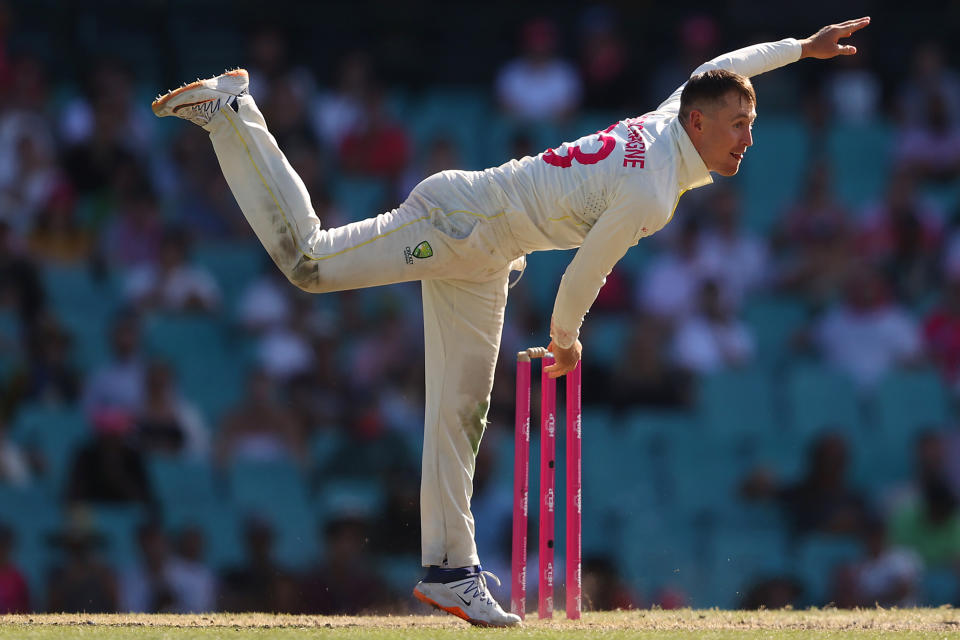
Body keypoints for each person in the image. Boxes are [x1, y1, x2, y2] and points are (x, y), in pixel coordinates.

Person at [151, 17, 870, 626]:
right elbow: (586, 271)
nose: (748, 138)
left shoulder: (670, 118)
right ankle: (233, 113)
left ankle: (449, 569)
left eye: (752, 123)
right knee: (308, 265)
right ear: (699, 123)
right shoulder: (652, 186)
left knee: (461, 415)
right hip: (462, 221)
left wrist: (802, 49)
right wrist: (566, 340)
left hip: (489, 253)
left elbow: (722, 66)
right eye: (739, 125)